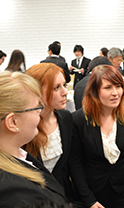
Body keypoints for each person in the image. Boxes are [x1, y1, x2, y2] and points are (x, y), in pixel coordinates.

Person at [0, 71, 69, 208]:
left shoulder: (2, 155)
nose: (40, 113)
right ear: (13, 122)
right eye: (36, 108)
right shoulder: (14, 195)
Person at [69, 65, 124, 208]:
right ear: (94, 91)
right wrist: (89, 199)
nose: (115, 93)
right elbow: (75, 163)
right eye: (108, 88)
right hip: (92, 193)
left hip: (123, 190)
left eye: (118, 86)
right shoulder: (79, 120)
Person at [24, 63, 75, 201]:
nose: (65, 92)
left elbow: (70, 164)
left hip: (60, 195)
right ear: (36, 92)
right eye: (56, 88)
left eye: (64, 85)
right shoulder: (24, 127)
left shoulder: (65, 118)